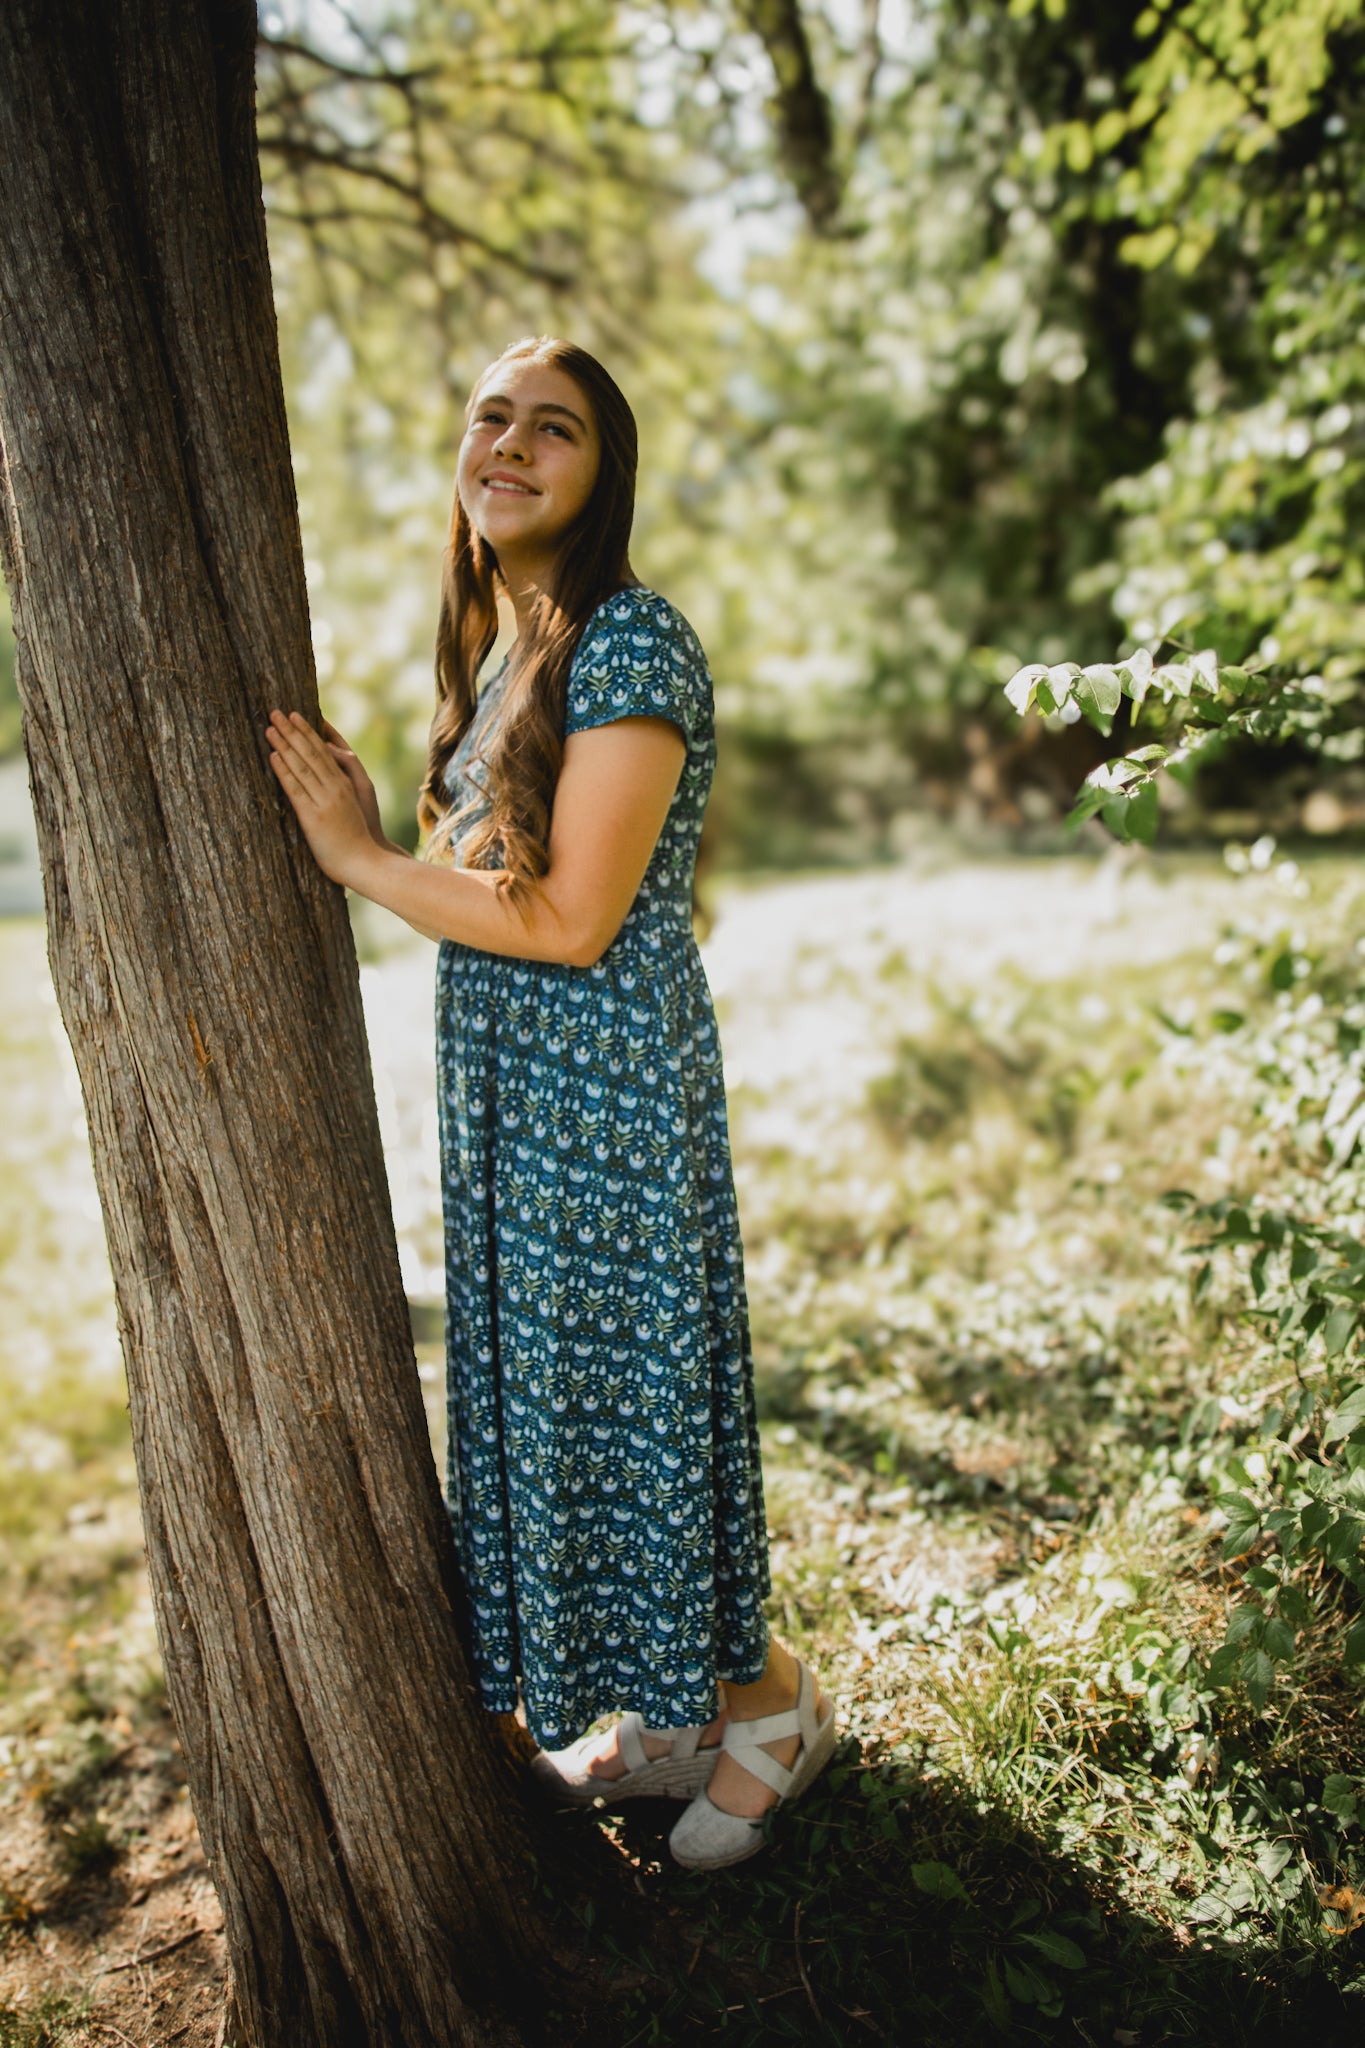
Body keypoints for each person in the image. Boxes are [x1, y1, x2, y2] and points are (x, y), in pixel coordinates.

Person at [266, 335, 834, 1870]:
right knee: (560, 1413)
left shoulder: (632, 643)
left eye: (555, 428)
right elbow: (503, 877)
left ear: (602, 475)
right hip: (519, 1105)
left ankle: (767, 1705)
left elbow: (576, 917)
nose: (508, 442)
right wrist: (407, 845)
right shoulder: (502, 652)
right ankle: (652, 1716)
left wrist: (360, 862)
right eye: (491, 415)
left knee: (632, 1409)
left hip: (609, 1106)